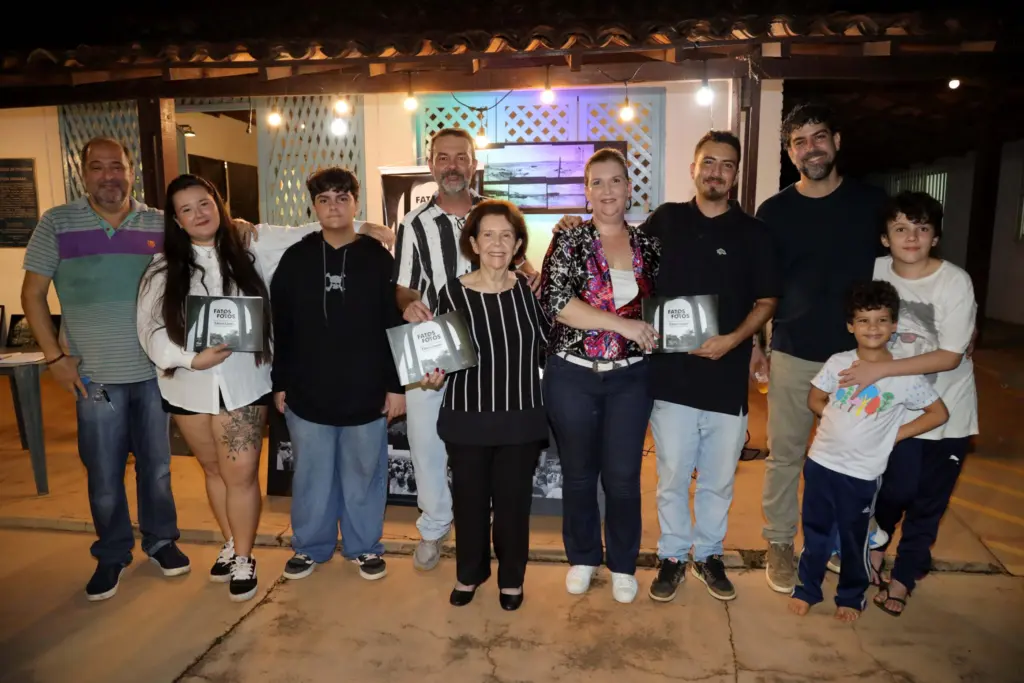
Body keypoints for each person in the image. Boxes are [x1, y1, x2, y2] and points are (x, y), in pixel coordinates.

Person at [21, 137, 191, 601]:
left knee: (156, 468)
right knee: (103, 474)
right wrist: (54, 357)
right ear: (83, 174)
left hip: (153, 372)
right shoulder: (57, 223)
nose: (108, 176)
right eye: (97, 168)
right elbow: (32, 294)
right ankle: (113, 553)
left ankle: (161, 541)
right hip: (92, 375)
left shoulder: (158, 222)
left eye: (116, 166)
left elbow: (204, 253)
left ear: (131, 170)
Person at [753, 103, 889, 593]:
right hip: (794, 349)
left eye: (819, 137)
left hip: (862, 358)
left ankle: (836, 542)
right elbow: (761, 285)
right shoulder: (775, 211)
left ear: (837, 140)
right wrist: (758, 343)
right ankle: (779, 543)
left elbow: (898, 270)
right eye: (800, 142)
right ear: (790, 153)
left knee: (854, 458)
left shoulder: (872, 203)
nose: (811, 148)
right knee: (786, 454)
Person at [640, 131, 780, 603]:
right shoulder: (665, 221)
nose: (716, 172)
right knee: (673, 474)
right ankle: (674, 554)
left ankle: (709, 554)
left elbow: (766, 300)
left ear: (736, 174)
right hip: (671, 379)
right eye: (708, 163)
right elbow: (629, 269)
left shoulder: (754, 233)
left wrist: (737, 342)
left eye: (726, 165)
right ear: (693, 168)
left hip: (725, 377)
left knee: (719, 479)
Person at [394, 127, 540, 572]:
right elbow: (402, 287)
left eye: (461, 157)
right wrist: (410, 305)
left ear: (474, 163)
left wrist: (532, 273)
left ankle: (485, 531)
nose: (452, 165)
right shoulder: (414, 224)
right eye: (443, 157)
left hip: (493, 356)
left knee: (488, 449)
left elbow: (524, 267)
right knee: (426, 443)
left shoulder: (497, 214)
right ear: (431, 162)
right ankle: (435, 527)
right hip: (437, 349)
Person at [837, 191, 978, 616]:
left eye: (921, 228)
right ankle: (877, 545)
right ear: (885, 238)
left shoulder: (954, 281)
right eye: (900, 228)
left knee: (929, 502)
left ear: (935, 236)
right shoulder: (875, 271)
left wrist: (879, 370)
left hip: (948, 410)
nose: (911, 237)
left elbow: (951, 354)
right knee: (895, 490)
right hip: (894, 414)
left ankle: (905, 576)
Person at [136, 174, 273, 602]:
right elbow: (150, 330)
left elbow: (308, 232)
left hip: (245, 384)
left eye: (205, 203)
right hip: (188, 387)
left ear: (218, 203)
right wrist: (189, 358)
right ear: (176, 220)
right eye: (187, 209)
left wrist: (368, 228)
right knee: (214, 470)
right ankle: (231, 542)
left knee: (242, 474)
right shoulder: (162, 269)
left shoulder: (252, 250)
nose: (199, 214)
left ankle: (246, 557)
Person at [271, 167, 406, 582]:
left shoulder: (378, 259)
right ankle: (310, 546)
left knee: (364, 472)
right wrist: (279, 382)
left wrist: (396, 386)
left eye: (342, 198)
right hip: (308, 389)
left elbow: (393, 323)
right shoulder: (295, 258)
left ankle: (365, 546)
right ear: (314, 207)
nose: (334, 206)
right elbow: (282, 325)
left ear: (355, 203)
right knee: (312, 473)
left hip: (365, 388)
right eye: (325, 200)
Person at [540, 148, 660, 604]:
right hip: (572, 374)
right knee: (578, 474)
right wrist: (624, 325)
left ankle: (624, 563)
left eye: (615, 181)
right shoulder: (569, 241)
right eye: (597, 183)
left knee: (624, 476)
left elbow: (665, 306)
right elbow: (558, 303)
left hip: (631, 377)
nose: (607, 191)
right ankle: (583, 557)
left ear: (629, 188)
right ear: (586, 191)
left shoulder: (650, 245)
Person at [790, 280, 948, 622]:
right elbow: (815, 398)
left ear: (893, 326)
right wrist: (833, 419)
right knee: (815, 532)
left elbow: (939, 414)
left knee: (854, 538)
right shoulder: (838, 362)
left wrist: (894, 435)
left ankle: (850, 596)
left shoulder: (904, 374)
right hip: (820, 464)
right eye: (863, 320)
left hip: (861, 474)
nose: (872, 327)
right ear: (850, 326)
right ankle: (807, 589)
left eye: (880, 320)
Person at [419, 200, 550, 612]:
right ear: (473, 243)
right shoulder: (452, 292)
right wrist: (431, 373)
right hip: (467, 416)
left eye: (506, 235)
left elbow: (547, 346)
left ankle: (512, 579)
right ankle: (469, 573)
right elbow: (436, 354)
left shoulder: (530, 293)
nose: (497, 243)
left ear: (517, 244)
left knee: (514, 507)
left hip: (520, 417)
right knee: (470, 503)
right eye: (488, 235)